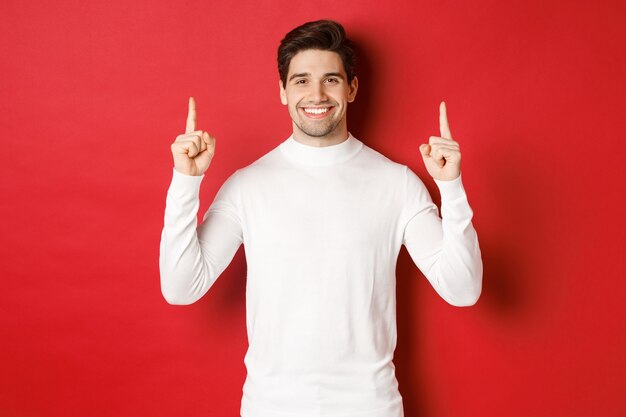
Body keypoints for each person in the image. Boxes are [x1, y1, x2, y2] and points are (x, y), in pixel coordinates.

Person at [159, 19, 482, 417]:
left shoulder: (396, 183)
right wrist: (185, 183)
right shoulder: (248, 186)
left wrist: (451, 187)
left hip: (371, 407)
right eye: (301, 81)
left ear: (352, 88)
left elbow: (463, 290)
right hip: (270, 408)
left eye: (331, 79)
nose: (316, 94)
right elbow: (180, 287)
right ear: (282, 91)